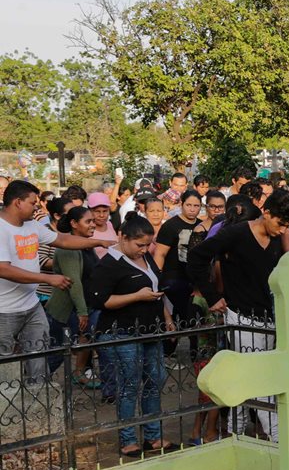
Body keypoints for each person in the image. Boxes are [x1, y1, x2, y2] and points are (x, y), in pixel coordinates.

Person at [187, 190, 289, 440]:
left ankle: (237, 434)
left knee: (249, 380)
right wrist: (212, 296)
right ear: (267, 213)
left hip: (269, 319)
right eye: (280, 224)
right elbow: (196, 256)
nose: (283, 230)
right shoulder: (236, 234)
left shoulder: (276, 239)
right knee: (259, 381)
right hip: (241, 318)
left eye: (287, 226)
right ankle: (279, 438)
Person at [0, 180, 112, 384]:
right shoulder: (1, 228)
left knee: (40, 355)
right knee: (5, 363)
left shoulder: (32, 225)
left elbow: (62, 240)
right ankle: (8, 409)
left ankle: (38, 400)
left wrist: (98, 241)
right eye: (33, 202)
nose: (37, 206)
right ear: (17, 202)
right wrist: (46, 278)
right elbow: (3, 269)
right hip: (4, 310)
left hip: (31, 305)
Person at [90, 214, 176, 456]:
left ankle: (153, 436)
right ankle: (128, 439)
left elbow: (156, 288)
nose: (144, 249)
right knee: (129, 385)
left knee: (154, 380)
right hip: (122, 332)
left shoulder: (144, 256)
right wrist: (136, 296)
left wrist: (167, 318)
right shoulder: (109, 264)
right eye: (139, 245)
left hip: (150, 329)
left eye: (147, 245)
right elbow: (101, 301)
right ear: (123, 237)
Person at [46, 207, 101, 386]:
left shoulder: (85, 244)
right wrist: (82, 311)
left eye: (93, 221)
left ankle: (79, 372)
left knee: (88, 335)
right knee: (58, 352)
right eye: (88, 221)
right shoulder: (68, 248)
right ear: (74, 224)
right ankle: (34, 383)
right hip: (69, 308)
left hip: (85, 304)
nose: (93, 224)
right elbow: (73, 282)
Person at [154, 189, 204, 337]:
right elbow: (160, 253)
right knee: (174, 321)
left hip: (194, 280)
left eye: (196, 206)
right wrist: (157, 278)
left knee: (195, 321)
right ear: (181, 204)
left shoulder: (202, 225)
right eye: (189, 205)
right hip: (174, 278)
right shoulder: (170, 226)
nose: (192, 209)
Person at [87, 192, 117, 258]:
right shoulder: (86, 229)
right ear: (89, 211)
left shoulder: (109, 224)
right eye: (97, 211)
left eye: (105, 211)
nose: (101, 215)